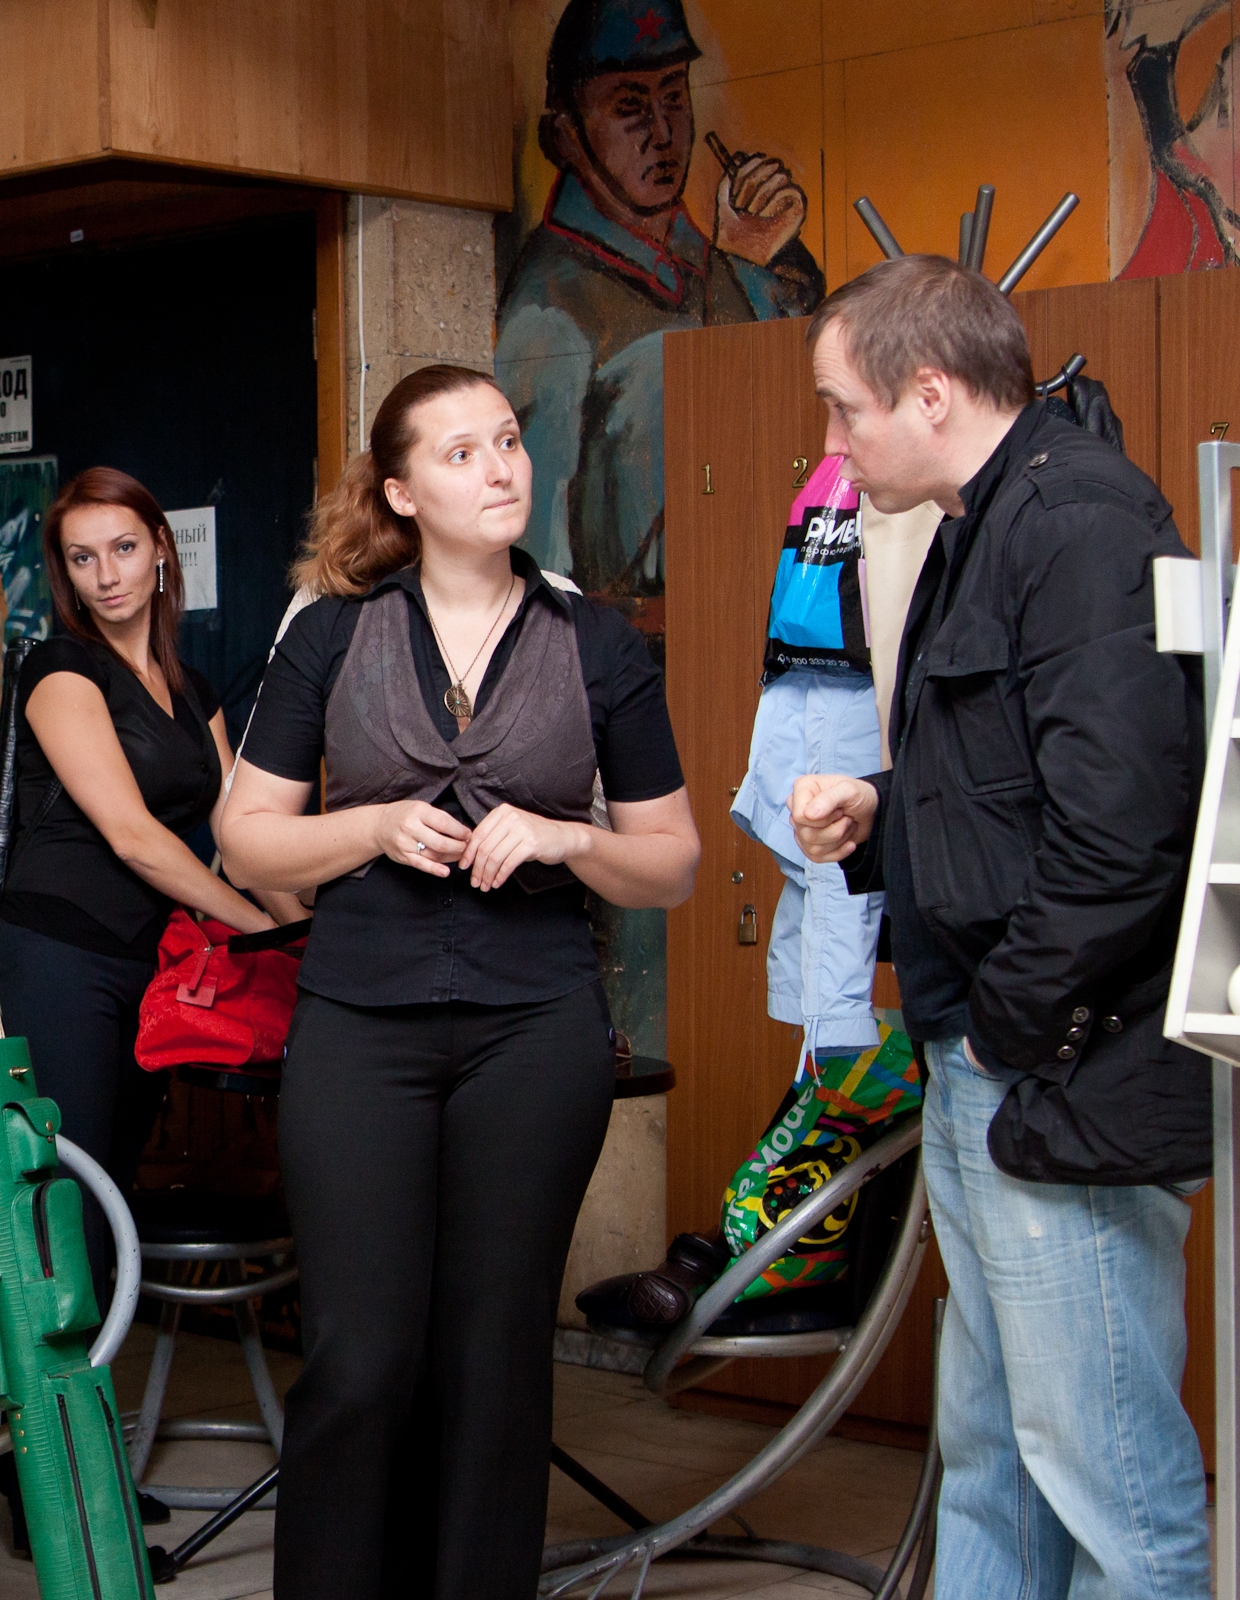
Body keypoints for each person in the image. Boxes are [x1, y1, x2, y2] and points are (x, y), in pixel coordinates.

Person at [217, 364, 698, 1598]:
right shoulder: (332, 632)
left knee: (496, 1361)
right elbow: (246, 839)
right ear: (402, 491)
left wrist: (570, 839)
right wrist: (370, 826)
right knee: (362, 1353)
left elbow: (674, 862)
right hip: (358, 1023)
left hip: (535, 1027)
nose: (501, 469)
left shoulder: (596, 642)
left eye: (509, 442)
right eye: (462, 452)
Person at [790, 255, 1211, 1599]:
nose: (833, 445)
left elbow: (1124, 828)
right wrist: (884, 805)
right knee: (995, 1461)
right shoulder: (987, 518)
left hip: (1054, 1070)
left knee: (1107, 1481)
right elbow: (1018, 785)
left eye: (845, 408)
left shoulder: (1079, 524)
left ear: (929, 392)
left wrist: (1010, 1028)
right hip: (992, 1049)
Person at [0, 467, 303, 1301]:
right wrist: (259, 932)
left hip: (143, 963)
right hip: (57, 954)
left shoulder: (194, 692)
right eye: (83, 557)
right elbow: (132, 836)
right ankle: (53, 1382)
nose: (107, 574)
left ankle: (88, 1367)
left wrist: (308, 935)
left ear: (161, 550)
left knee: (111, 1186)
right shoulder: (60, 670)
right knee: (71, 1199)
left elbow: (242, 837)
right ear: (65, 572)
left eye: (124, 548)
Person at [495, 0, 823, 595]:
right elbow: (541, 555)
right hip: (644, 626)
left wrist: (760, 258)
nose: (664, 133)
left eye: (673, 97)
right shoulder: (550, 303)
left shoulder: (705, 253)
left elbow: (791, 398)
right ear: (566, 136)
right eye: (630, 108)